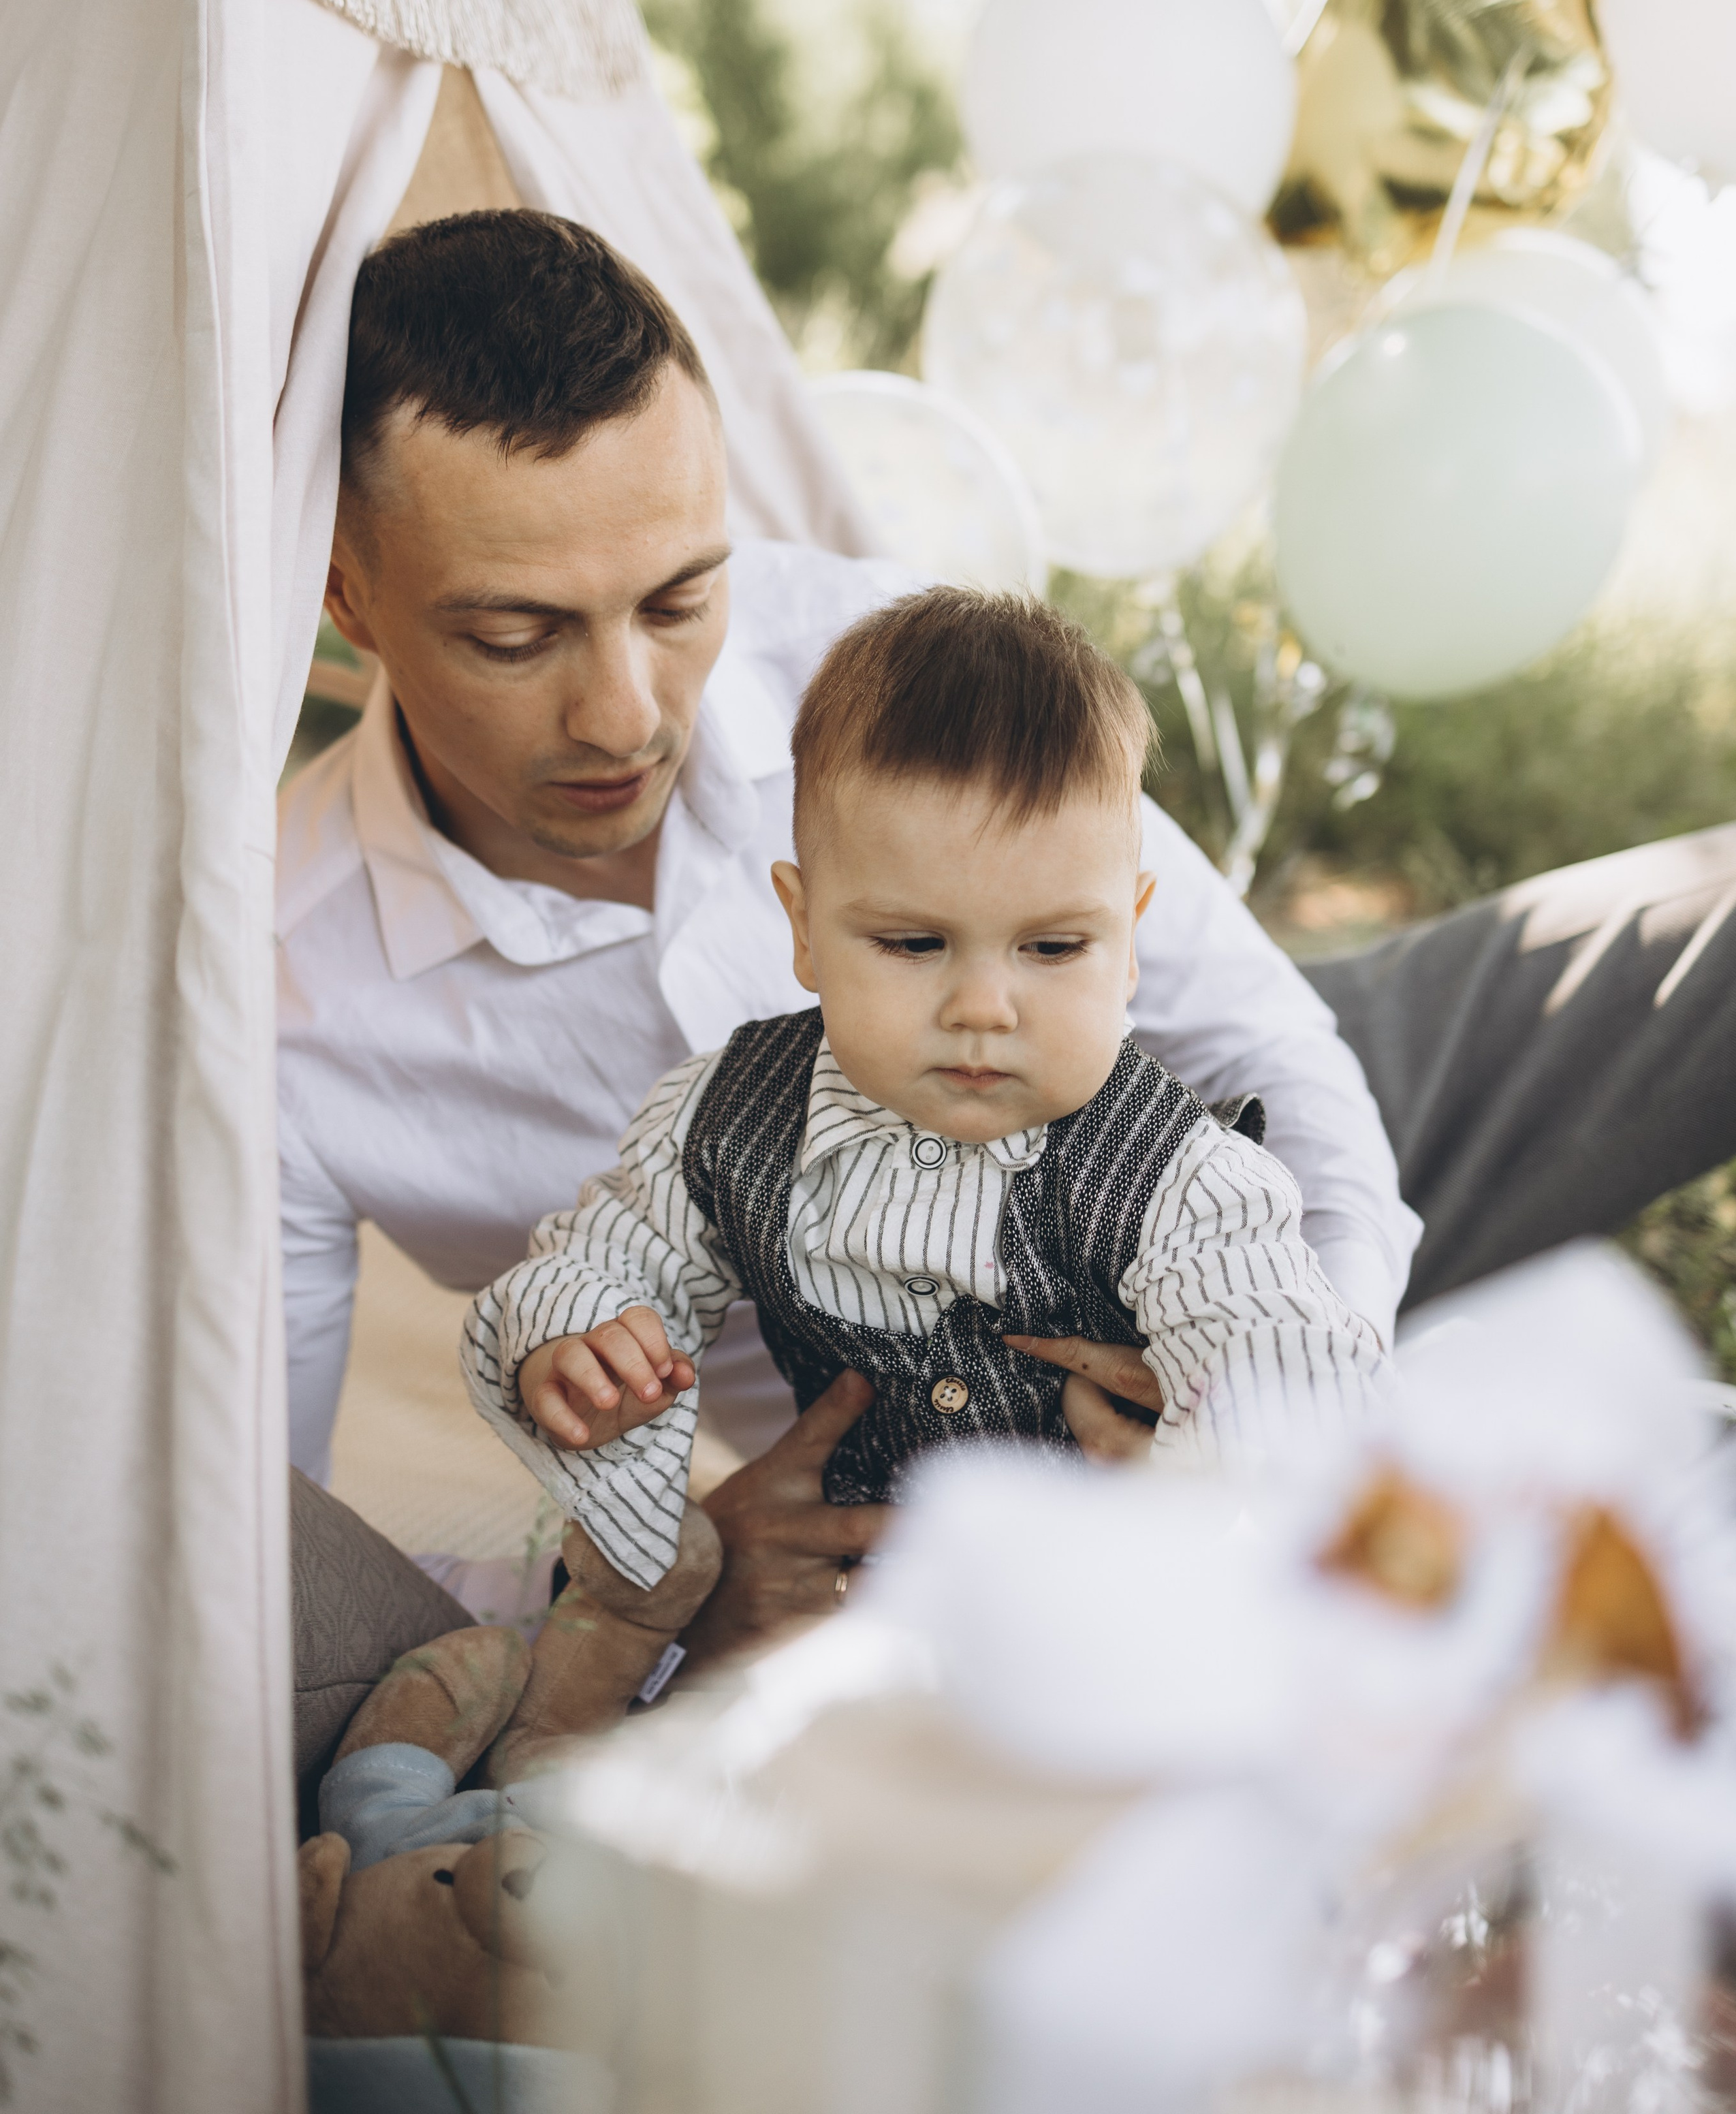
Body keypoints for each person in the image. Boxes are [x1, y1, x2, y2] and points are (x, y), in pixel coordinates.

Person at [278, 207, 1417, 1656]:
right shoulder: (279, 1002)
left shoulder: (877, 665)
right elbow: (267, 1530)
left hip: (1261, 1179)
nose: (626, 713)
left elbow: (1264, 1042)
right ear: (341, 595)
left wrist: (1280, 1409)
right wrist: (678, 1578)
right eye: (515, 636)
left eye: (681, 594)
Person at [462, 590, 1384, 1585]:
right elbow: (615, 1253)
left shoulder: (1177, 1179)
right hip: (870, 1597)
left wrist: (1216, 1487)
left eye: (1054, 946)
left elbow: (1278, 1356)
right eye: (913, 943)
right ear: (805, 929)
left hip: (1118, 1598)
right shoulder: (725, 1117)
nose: (984, 1007)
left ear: (1129, 942)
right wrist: (583, 1335)